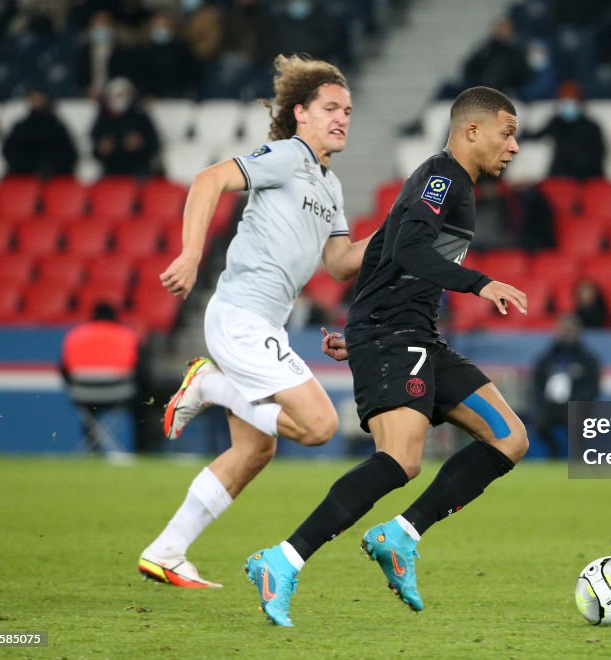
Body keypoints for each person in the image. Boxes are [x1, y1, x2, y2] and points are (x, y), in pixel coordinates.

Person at [243, 86, 528, 627]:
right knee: (401, 459)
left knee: (510, 437)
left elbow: (382, 249)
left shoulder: (452, 185)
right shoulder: (442, 178)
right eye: (507, 132)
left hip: (407, 333)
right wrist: (479, 282)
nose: (513, 146)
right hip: (395, 334)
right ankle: (281, 560)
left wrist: (359, 329)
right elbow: (409, 249)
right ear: (473, 130)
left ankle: (400, 535)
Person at [137, 55, 371, 589]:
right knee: (320, 426)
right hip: (242, 316)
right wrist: (192, 255)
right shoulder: (288, 156)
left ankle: (167, 550)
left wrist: (398, 232)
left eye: (348, 111)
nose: (342, 118)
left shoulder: (329, 187)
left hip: (265, 323)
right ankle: (211, 384)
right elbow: (208, 178)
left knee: (254, 450)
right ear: (300, 114)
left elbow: (338, 264)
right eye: (330, 108)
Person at [60, 302, 140, 455]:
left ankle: (92, 450)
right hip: (119, 393)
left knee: (90, 415)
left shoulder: (76, 334)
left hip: (83, 394)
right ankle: (139, 449)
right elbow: (137, 368)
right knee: (142, 404)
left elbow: (64, 370)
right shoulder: (126, 334)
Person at [531, 315, 601, 457]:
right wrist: (543, 402)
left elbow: (592, 385)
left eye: (569, 330)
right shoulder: (548, 357)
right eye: (562, 330)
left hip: (576, 405)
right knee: (539, 424)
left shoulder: (587, 358)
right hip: (550, 406)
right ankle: (554, 453)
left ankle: (580, 457)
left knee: (579, 426)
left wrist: (577, 402)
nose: (566, 334)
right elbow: (537, 382)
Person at [529, 81, 605, 181]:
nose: (567, 104)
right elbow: (536, 136)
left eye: (571, 99)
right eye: (563, 100)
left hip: (586, 177)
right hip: (559, 176)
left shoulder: (591, 127)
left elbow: (598, 155)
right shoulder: (556, 122)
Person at [90, 77, 160, 177]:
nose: (119, 100)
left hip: (138, 169)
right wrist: (101, 149)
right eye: (116, 96)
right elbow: (94, 148)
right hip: (110, 171)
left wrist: (141, 144)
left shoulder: (141, 117)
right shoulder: (102, 118)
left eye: (122, 95)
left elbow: (154, 146)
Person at [2, 88, 77, 177]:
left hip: (54, 174)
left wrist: (50, 168)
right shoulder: (21, 127)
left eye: (39, 99)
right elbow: (9, 151)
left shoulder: (57, 127)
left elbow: (69, 155)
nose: (37, 102)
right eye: (34, 99)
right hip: (24, 174)